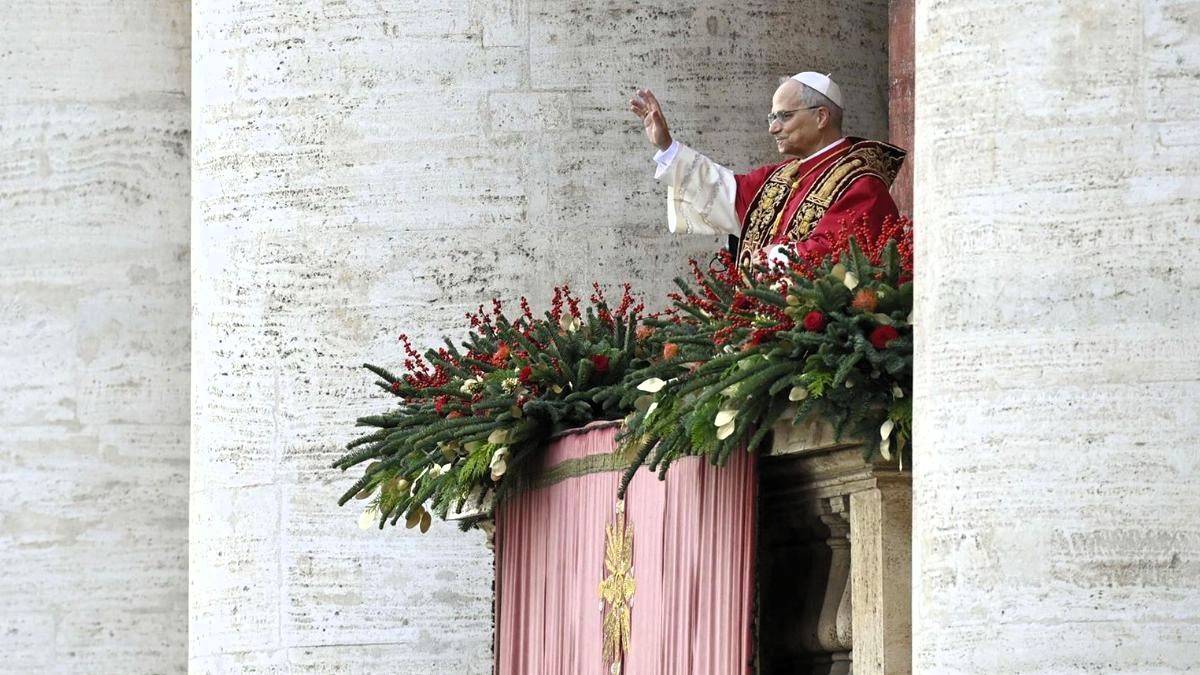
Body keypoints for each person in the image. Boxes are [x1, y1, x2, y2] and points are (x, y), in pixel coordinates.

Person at [630, 72, 905, 268]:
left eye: (785, 116)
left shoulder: (861, 183)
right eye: (772, 117)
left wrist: (769, 258)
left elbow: (842, 255)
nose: (773, 128)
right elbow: (722, 193)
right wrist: (667, 146)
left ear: (821, 117)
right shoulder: (779, 177)